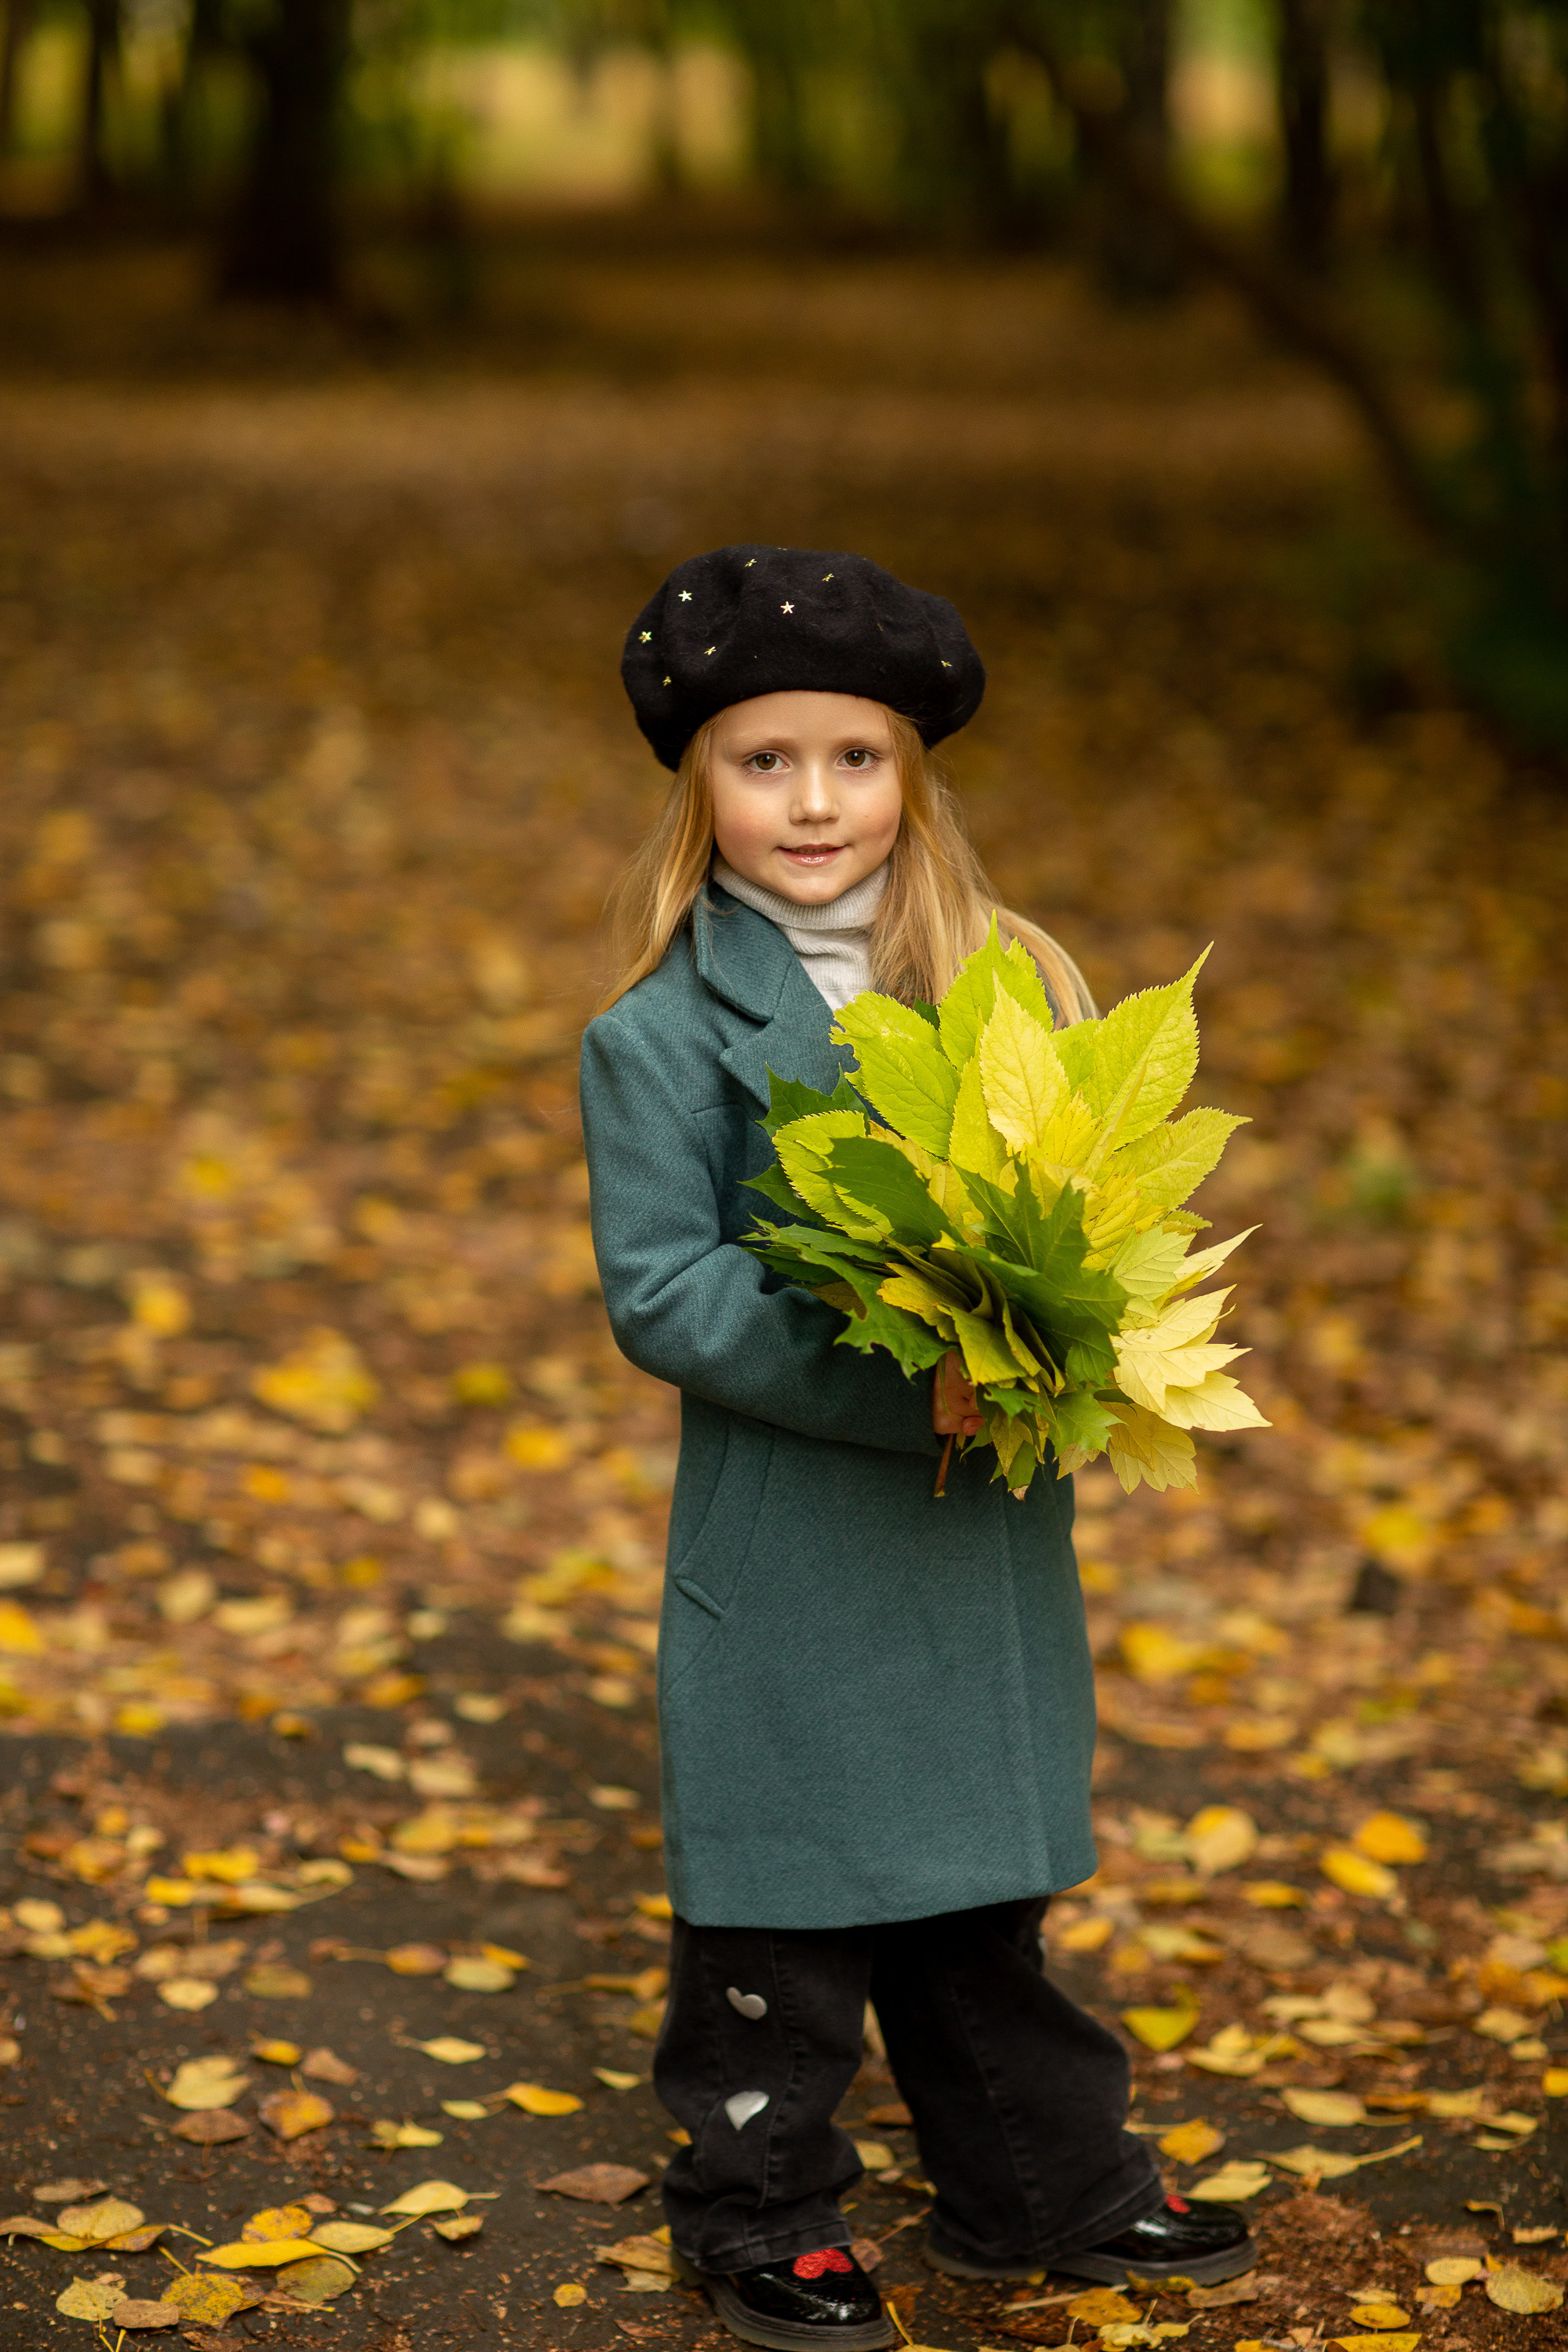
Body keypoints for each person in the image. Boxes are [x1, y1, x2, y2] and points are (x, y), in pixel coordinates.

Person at [579, 546, 1253, 2352]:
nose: (813, 801)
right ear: (698, 785)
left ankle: (1037, 2187)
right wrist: (904, 1379)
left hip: (973, 1543)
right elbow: (663, 1291)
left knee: (977, 1897)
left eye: (855, 760)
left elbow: (1079, 1205)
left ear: (912, 778)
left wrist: (1079, 1329)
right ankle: (757, 2202)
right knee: (786, 1915)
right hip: (798, 1538)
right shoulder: (657, 1036)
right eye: (765, 760)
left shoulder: (1004, 986)